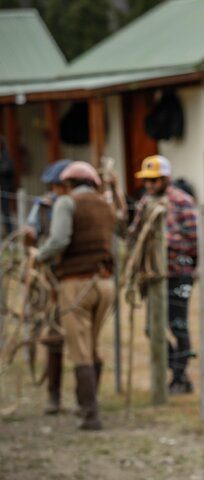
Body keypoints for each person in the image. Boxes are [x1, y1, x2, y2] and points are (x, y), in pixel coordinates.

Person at [31, 161, 115, 430]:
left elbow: (59, 241)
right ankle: (86, 405)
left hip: (76, 284)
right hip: (104, 283)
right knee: (91, 346)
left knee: (79, 351)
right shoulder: (105, 205)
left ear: (68, 184)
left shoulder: (66, 204)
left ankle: (90, 414)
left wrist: (38, 256)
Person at [130, 155, 197, 394]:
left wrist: (171, 250)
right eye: (147, 180)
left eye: (155, 180)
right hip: (154, 274)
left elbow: (194, 240)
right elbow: (135, 232)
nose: (149, 185)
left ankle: (179, 377)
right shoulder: (145, 202)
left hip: (178, 273)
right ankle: (176, 370)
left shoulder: (182, 202)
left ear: (166, 178)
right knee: (152, 327)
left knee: (178, 325)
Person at [23, 159, 72, 415]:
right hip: (51, 281)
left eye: (60, 185)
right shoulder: (42, 206)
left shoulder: (81, 205)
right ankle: (54, 395)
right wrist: (30, 236)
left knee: (82, 340)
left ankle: (86, 400)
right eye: (54, 185)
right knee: (54, 336)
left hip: (75, 277)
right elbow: (31, 229)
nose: (56, 190)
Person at [0, 135, 15, 237]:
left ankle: (10, 233)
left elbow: (8, 168)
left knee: (6, 211)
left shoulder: (6, 155)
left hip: (5, 188)